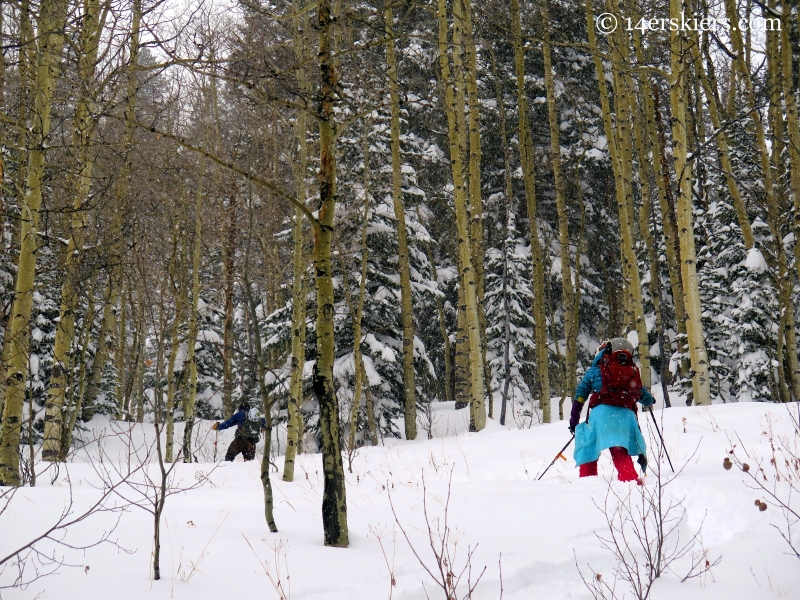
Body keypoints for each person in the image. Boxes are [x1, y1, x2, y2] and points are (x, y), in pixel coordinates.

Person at [568, 338, 655, 483]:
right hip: (626, 417)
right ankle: (630, 480)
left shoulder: (595, 370)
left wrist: (574, 420)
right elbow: (642, 394)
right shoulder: (631, 370)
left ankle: (587, 480)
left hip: (601, 415)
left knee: (588, 444)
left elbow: (580, 395)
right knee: (619, 449)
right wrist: (650, 401)